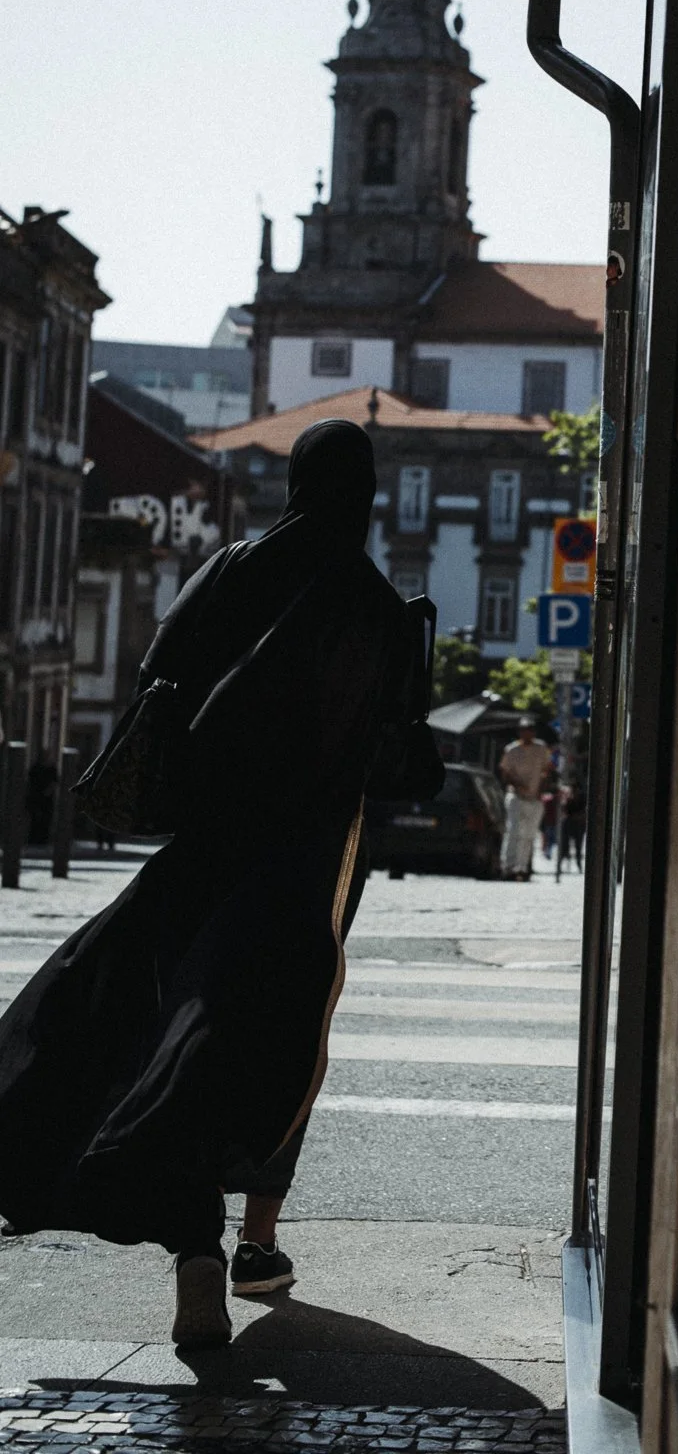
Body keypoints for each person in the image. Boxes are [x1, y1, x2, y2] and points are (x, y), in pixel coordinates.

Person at [0, 421, 418, 1351]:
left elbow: (160, 683)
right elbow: (399, 763)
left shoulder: (230, 569)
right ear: (368, 494)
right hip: (307, 873)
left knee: (158, 1034)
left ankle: (192, 1246)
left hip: (204, 854)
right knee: (278, 1048)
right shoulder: (381, 607)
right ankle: (255, 1245)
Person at [498, 717, 551, 879]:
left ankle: (522, 867)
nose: (527, 733)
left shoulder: (541, 748)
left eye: (530, 729)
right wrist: (517, 785)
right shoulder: (512, 750)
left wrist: (542, 788)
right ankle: (508, 866)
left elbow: (546, 770)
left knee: (529, 834)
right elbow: (504, 772)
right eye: (524, 730)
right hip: (516, 796)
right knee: (513, 831)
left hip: (535, 798)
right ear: (520, 732)